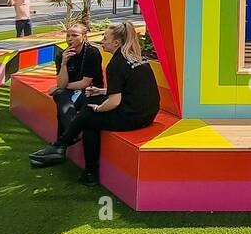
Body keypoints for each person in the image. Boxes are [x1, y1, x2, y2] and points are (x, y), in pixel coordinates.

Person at [29, 22, 159, 185]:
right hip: (147, 113)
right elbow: (128, 89)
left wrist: (98, 109)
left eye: (105, 38)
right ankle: (62, 148)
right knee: (90, 105)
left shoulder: (115, 64)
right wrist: (101, 92)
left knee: (90, 119)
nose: (102, 41)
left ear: (116, 43)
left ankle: (69, 153)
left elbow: (114, 101)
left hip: (134, 117)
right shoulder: (137, 58)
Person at [33, 23, 103, 151]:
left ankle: (61, 146)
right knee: (60, 96)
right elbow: (61, 83)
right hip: (70, 90)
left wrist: (59, 87)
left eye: (74, 35)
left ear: (84, 37)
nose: (70, 39)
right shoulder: (61, 55)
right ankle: (71, 134)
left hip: (91, 90)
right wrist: (64, 63)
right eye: (68, 35)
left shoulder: (92, 53)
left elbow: (85, 83)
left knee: (61, 102)